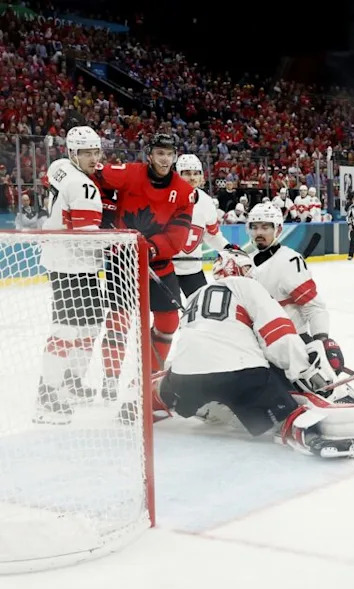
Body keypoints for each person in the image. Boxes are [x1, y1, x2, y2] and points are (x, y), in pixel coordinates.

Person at [150, 249, 354, 458]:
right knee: (286, 412)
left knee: (169, 391)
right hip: (239, 376)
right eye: (247, 269)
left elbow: (197, 345)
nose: (251, 273)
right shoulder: (248, 287)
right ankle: (307, 437)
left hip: (183, 376)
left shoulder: (195, 296)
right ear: (239, 269)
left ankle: (147, 406)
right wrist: (304, 371)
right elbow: (279, 336)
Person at [94, 132, 195, 385]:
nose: (165, 159)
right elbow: (93, 175)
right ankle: (110, 378)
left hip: (158, 264)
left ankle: (148, 375)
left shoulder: (183, 191)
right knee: (119, 319)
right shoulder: (129, 173)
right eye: (160, 153)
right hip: (122, 261)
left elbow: (178, 236)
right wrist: (106, 210)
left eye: (169, 154)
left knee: (169, 319)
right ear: (149, 155)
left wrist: (150, 248)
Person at [33, 126, 104, 424]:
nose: (92, 158)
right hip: (71, 265)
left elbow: (57, 170)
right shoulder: (85, 187)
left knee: (91, 324)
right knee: (66, 329)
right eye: (85, 152)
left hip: (68, 261)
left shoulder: (59, 167)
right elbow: (88, 236)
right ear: (73, 153)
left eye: (95, 151)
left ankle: (72, 382)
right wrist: (119, 244)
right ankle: (47, 396)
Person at [246, 202, 348, 401]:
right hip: (258, 343)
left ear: (278, 229)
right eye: (255, 227)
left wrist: (321, 342)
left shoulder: (290, 262)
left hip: (292, 342)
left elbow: (314, 307)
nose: (259, 232)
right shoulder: (246, 262)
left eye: (265, 227)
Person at [173, 154, 229, 299]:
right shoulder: (165, 198)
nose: (192, 178)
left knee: (201, 315)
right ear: (177, 175)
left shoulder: (206, 202)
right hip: (166, 269)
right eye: (186, 173)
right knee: (166, 319)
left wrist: (228, 248)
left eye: (196, 173)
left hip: (193, 270)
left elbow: (212, 234)